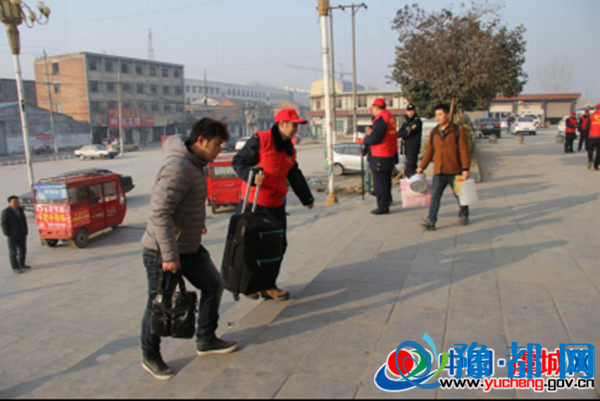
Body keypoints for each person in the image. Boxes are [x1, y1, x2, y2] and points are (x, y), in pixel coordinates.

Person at [140, 118, 237, 380]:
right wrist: (169, 256)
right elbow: (159, 213)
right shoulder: (178, 168)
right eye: (217, 144)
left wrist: (195, 224)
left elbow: (185, 204)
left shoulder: (195, 164)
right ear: (201, 141)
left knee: (213, 285)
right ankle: (150, 355)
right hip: (163, 252)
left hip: (189, 246)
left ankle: (206, 339)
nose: (220, 150)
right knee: (159, 304)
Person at [232, 109, 314, 301]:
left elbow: (294, 174)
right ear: (282, 124)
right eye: (294, 125)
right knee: (250, 246)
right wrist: (253, 176)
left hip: (276, 204)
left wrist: (307, 199)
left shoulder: (289, 149)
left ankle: (268, 286)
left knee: (276, 246)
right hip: (254, 202)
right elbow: (238, 162)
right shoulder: (261, 140)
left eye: (298, 125)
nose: (296, 129)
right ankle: (248, 284)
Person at [417, 104, 471, 231]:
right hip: (439, 171)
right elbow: (429, 151)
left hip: (454, 170)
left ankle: (464, 214)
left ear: (448, 115)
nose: (438, 117)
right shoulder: (434, 132)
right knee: (435, 196)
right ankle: (431, 220)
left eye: (440, 114)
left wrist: (465, 169)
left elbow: (463, 150)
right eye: (436, 115)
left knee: (460, 195)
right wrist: (421, 167)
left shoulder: (458, 130)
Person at [363, 98, 399, 215]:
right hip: (389, 153)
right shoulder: (391, 118)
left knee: (380, 183)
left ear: (376, 108)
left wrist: (366, 138)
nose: (372, 111)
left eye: (372, 108)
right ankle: (386, 201)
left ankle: (382, 206)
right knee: (386, 181)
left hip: (380, 154)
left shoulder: (381, 119)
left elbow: (376, 138)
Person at [1, 196, 30, 274]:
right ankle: (15, 267)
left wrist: (25, 231)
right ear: (10, 202)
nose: (17, 203)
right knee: (13, 251)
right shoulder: (6, 212)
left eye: (17, 201)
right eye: (15, 201)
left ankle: (22, 264)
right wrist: (7, 233)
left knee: (23, 249)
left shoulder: (20, 210)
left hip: (22, 233)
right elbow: (4, 223)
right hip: (12, 235)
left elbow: (24, 221)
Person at [397, 103, 422, 178]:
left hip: (413, 148)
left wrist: (403, 133)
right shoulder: (406, 122)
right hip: (406, 148)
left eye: (412, 111)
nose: (410, 113)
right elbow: (399, 132)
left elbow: (408, 132)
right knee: (407, 166)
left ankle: (411, 180)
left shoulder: (416, 121)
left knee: (410, 168)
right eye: (409, 111)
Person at [587, 104, 600, 171]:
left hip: (592, 136)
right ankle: (596, 166)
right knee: (598, 152)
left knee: (590, 149)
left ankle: (590, 159)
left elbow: (587, 126)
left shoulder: (591, 116)